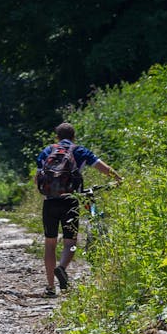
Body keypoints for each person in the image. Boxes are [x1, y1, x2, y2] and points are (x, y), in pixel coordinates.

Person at [36, 122, 122, 296]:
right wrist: (119, 179)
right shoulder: (80, 151)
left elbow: (37, 178)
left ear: (56, 137)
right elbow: (102, 167)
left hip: (50, 202)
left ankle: (50, 287)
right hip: (71, 201)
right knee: (71, 243)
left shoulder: (47, 151)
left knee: (50, 244)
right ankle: (61, 267)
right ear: (73, 136)